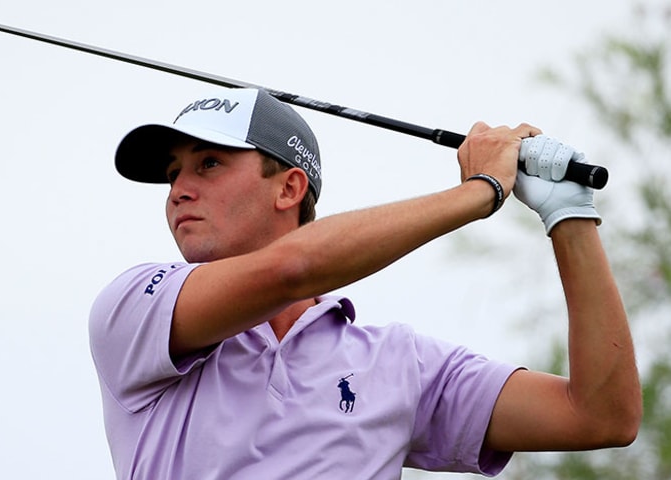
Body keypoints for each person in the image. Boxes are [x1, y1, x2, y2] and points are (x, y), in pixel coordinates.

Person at [89, 87, 642, 479]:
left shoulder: (398, 366)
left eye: (207, 163)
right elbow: (293, 267)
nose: (179, 189)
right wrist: (480, 191)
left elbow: (600, 415)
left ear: (288, 189)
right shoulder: (138, 308)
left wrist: (569, 218)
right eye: (172, 173)